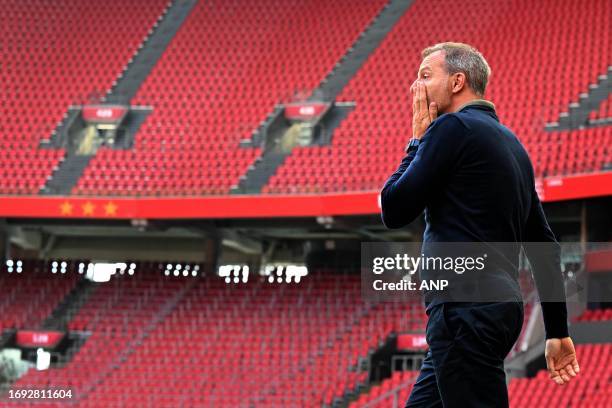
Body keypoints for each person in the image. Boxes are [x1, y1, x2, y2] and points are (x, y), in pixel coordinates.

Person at [380, 42, 580, 407]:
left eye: (425, 75)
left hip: (463, 308)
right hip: (494, 308)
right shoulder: (512, 144)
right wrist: (557, 330)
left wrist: (416, 141)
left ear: (457, 82)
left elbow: (393, 207)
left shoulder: (451, 128)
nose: (415, 87)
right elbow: (543, 244)